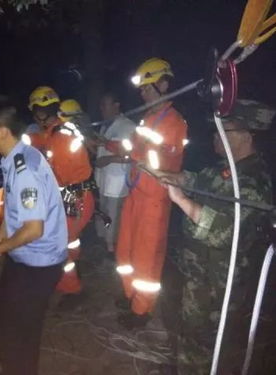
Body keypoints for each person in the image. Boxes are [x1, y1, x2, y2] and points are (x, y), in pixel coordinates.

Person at [158, 100, 274, 375]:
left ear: (246, 136)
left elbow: (223, 231)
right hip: (200, 271)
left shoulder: (253, 181)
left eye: (226, 131)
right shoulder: (226, 168)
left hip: (218, 280)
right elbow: (197, 179)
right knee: (191, 331)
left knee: (206, 338)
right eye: (216, 132)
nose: (216, 137)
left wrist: (181, 200)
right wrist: (171, 177)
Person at [0, 96, 67, 375]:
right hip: (26, 257)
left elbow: (33, 229)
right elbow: (15, 212)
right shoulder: (16, 158)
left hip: (39, 261)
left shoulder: (23, 169)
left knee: (16, 331)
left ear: (2, 132)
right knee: (13, 323)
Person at [115, 58, 188, 328]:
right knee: (126, 250)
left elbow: (163, 163)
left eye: (148, 87)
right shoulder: (147, 118)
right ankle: (129, 295)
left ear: (164, 84)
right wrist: (111, 145)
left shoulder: (175, 122)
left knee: (147, 256)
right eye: (142, 89)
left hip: (155, 198)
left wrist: (136, 152)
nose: (143, 93)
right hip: (135, 194)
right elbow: (132, 147)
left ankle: (141, 311)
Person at [25, 86, 95, 294]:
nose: (37, 118)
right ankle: (74, 265)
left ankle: (73, 290)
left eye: (39, 113)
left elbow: (58, 178)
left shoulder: (60, 138)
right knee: (69, 241)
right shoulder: (54, 132)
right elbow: (39, 141)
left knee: (58, 246)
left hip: (75, 198)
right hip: (76, 197)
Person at [94, 91, 136, 253]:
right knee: (103, 213)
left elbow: (132, 155)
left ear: (116, 105)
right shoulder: (105, 125)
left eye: (105, 105)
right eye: (101, 105)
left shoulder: (128, 126)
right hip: (103, 179)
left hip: (118, 182)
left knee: (114, 216)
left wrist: (109, 160)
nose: (102, 109)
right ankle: (104, 243)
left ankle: (113, 249)